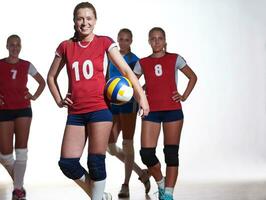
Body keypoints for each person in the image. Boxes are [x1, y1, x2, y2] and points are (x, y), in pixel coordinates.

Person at [47, 2, 149, 200]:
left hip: (100, 109)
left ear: (95, 21)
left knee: (95, 162)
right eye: (80, 18)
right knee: (67, 163)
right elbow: (51, 77)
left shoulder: (104, 42)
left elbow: (127, 71)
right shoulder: (66, 46)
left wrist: (142, 98)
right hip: (76, 112)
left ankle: (97, 197)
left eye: (89, 18)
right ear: (74, 21)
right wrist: (59, 100)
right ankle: (100, 196)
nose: (85, 23)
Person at [133, 27, 197, 200]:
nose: (156, 41)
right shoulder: (142, 62)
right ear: (148, 41)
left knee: (171, 153)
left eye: (160, 38)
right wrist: (141, 98)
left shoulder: (175, 59)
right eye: (153, 38)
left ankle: (168, 194)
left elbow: (193, 77)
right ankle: (160, 183)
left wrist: (183, 95)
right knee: (146, 154)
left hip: (172, 111)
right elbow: (133, 85)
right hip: (151, 111)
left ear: (165, 40)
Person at [0, 34, 46, 200]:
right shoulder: (0, 64)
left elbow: (42, 82)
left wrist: (33, 96)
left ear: (21, 47)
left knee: (21, 151)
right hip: (4, 110)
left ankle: (17, 190)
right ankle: (19, 183)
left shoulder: (26, 65)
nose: (15, 47)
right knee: (4, 154)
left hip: (23, 110)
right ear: (6, 46)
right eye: (11, 44)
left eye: (17, 45)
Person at [106, 28, 150, 198]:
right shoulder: (111, 57)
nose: (123, 42)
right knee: (110, 147)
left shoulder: (135, 60)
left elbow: (144, 82)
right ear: (117, 40)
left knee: (127, 144)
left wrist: (142, 95)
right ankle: (142, 173)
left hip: (128, 105)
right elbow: (107, 78)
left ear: (131, 41)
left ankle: (125, 184)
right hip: (112, 105)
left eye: (126, 40)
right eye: (120, 39)